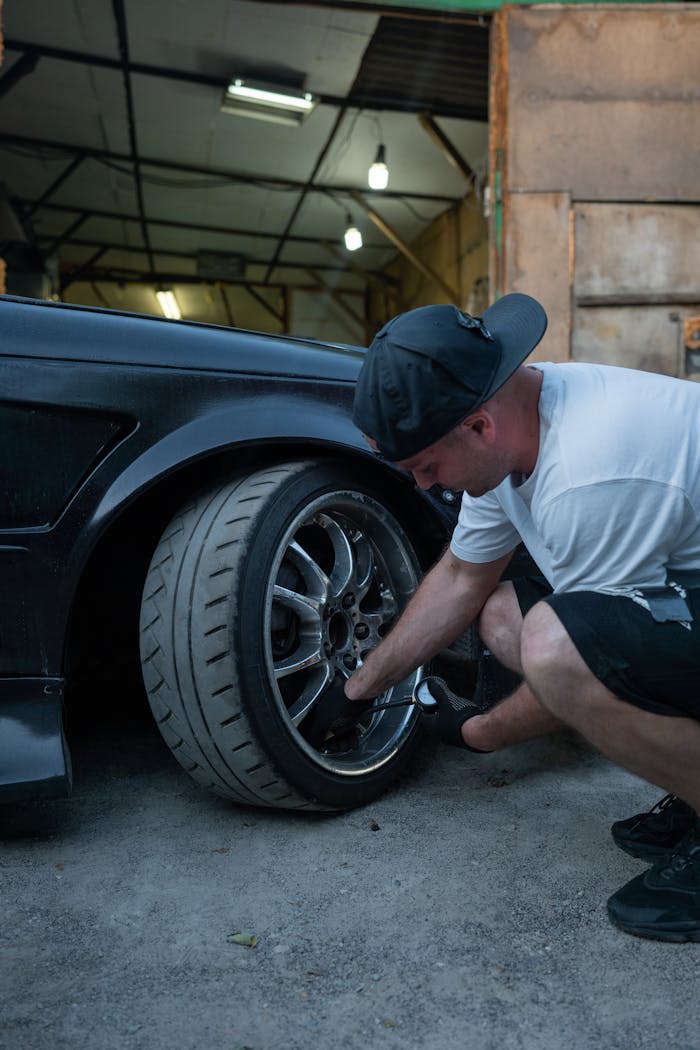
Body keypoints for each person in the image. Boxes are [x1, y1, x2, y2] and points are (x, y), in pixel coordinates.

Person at [344, 292, 700, 943]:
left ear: (480, 427)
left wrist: (481, 732)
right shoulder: (515, 428)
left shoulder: (592, 476)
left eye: (427, 466)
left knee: (552, 647)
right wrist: (364, 685)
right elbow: (461, 576)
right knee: (503, 612)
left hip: (679, 582)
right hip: (682, 584)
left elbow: (589, 664)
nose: (423, 486)